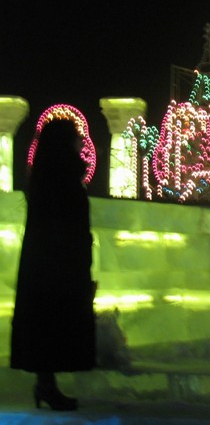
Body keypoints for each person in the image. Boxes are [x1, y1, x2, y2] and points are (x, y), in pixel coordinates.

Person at [10, 119, 96, 411]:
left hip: (47, 267)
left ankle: (45, 385)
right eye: (76, 138)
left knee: (47, 325)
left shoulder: (46, 177)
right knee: (54, 323)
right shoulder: (63, 177)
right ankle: (46, 387)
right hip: (59, 267)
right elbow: (68, 225)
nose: (82, 143)